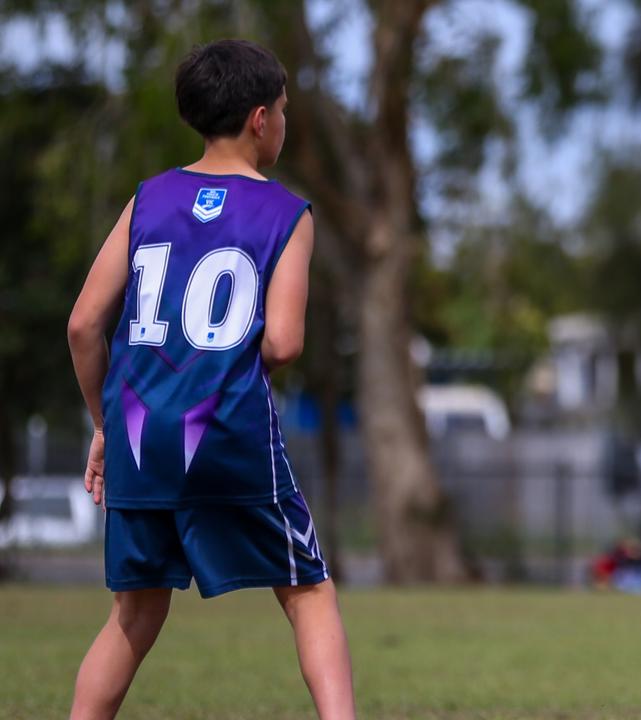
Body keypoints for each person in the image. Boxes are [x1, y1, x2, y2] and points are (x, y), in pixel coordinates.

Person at [65, 40, 355, 719]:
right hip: (225, 432)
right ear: (260, 119)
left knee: (133, 615)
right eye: (283, 111)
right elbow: (283, 342)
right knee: (307, 591)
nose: (284, 122)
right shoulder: (286, 214)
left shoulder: (147, 200)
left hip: (138, 436)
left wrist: (106, 426)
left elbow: (83, 326)